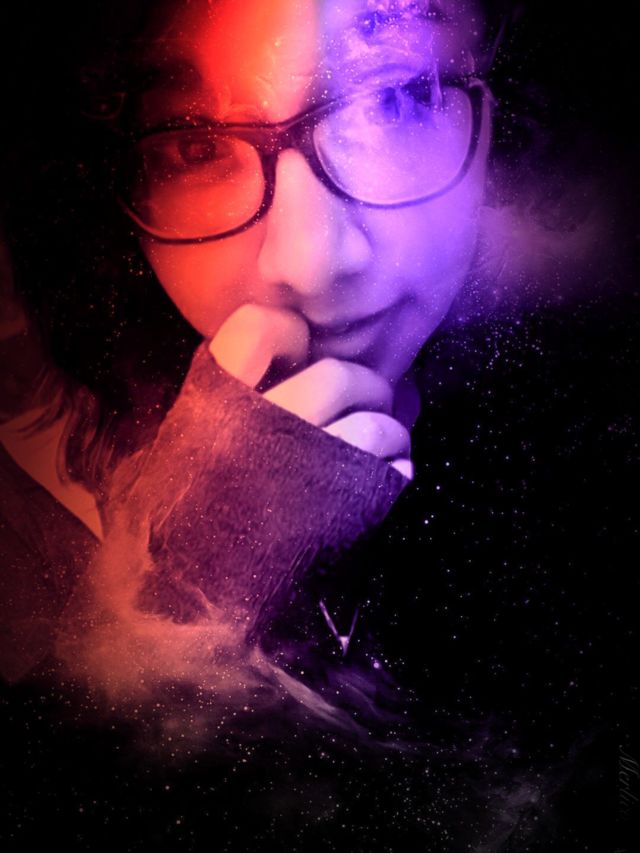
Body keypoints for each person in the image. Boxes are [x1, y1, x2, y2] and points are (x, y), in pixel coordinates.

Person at [1, 0, 637, 849]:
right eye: (194, 144)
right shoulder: (27, 517)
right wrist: (175, 610)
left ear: (510, 104)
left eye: (395, 97)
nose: (310, 260)